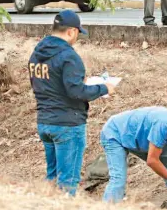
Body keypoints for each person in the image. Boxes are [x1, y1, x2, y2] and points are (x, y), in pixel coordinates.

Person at [28, 10, 116, 196]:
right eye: (77, 34)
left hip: (45, 122)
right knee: (68, 183)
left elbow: (43, 84)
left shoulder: (36, 54)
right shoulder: (69, 56)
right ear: (71, 32)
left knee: (51, 178)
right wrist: (103, 88)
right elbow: (76, 92)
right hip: (68, 125)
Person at [100, 106, 167, 205]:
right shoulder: (164, 125)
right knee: (118, 178)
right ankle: (108, 209)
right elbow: (152, 161)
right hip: (115, 132)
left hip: (140, 139)